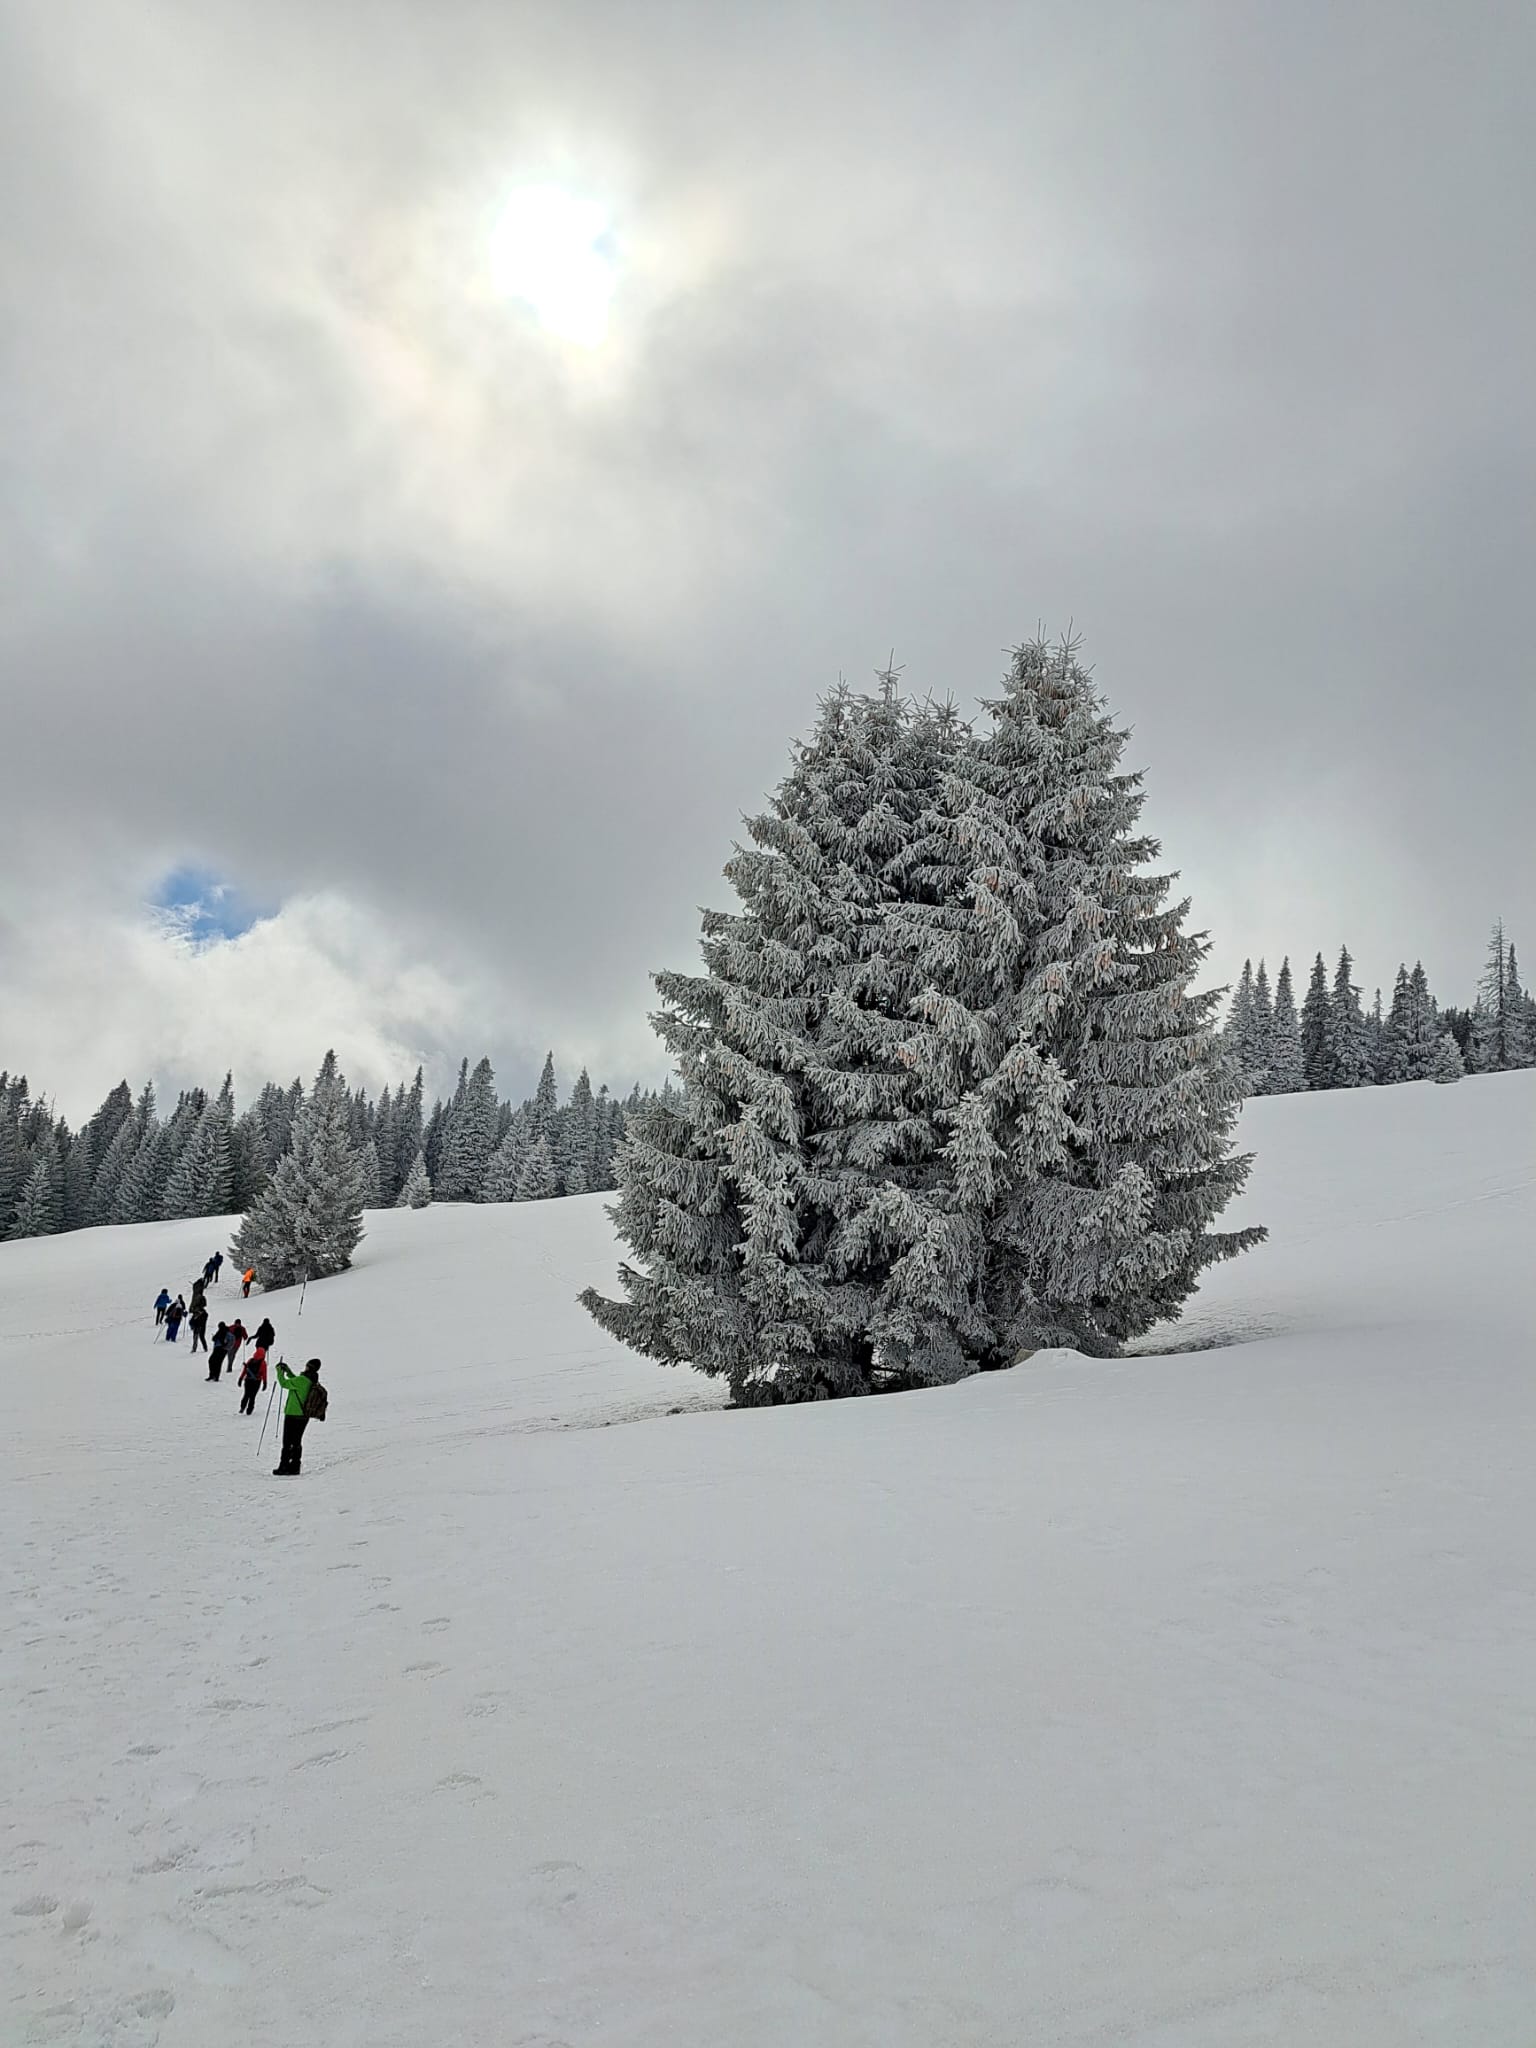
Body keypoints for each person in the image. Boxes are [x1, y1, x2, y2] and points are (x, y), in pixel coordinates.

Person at [273, 1358, 325, 1475]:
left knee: (287, 1442)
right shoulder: (311, 1379)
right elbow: (295, 1381)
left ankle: (283, 1466)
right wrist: (288, 1371)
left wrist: (279, 1371)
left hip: (292, 1414)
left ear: (308, 1366)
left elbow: (284, 1383)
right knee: (296, 1441)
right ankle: (295, 1467)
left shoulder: (302, 1379)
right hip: (304, 1415)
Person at [238, 1344, 268, 1415]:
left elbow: (245, 1370)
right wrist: (265, 1383)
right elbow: (264, 1374)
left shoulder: (250, 1360)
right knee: (252, 1396)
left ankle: (242, 1407)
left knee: (246, 1394)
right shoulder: (263, 1363)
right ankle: (249, 1410)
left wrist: (240, 1378)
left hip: (248, 1380)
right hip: (256, 1381)